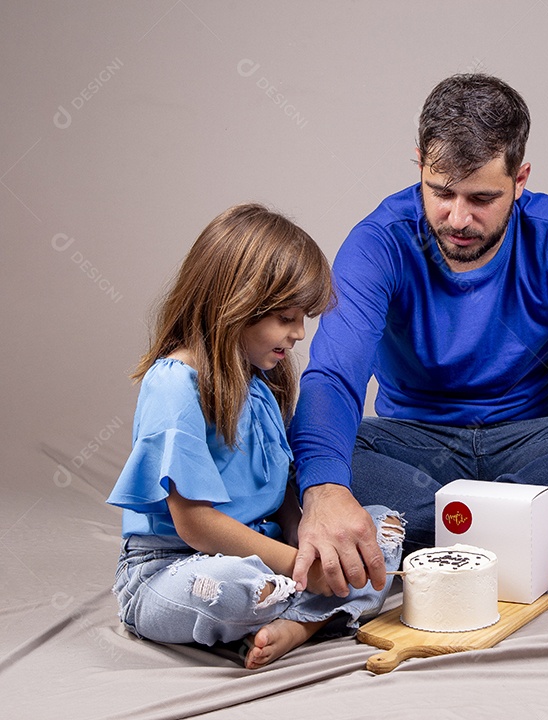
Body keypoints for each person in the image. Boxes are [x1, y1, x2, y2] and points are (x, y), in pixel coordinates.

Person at [289, 74, 548, 609]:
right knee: (306, 464)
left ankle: (447, 535)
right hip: (414, 445)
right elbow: (333, 378)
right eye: (441, 193)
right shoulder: (378, 242)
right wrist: (323, 490)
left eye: (482, 198)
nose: (458, 218)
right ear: (419, 166)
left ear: (520, 178)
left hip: (533, 443)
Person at [107, 204, 403, 669]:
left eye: (303, 317)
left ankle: (297, 623)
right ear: (236, 303)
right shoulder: (174, 384)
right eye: (286, 317)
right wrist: (296, 565)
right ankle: (314, 613)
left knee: (379, 529)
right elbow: (194, 524)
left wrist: (305, 540)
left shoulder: (260, 383)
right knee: (231, 586)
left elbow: (283, 488)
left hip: (268, 552)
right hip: (173, 566)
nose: (299, 333)